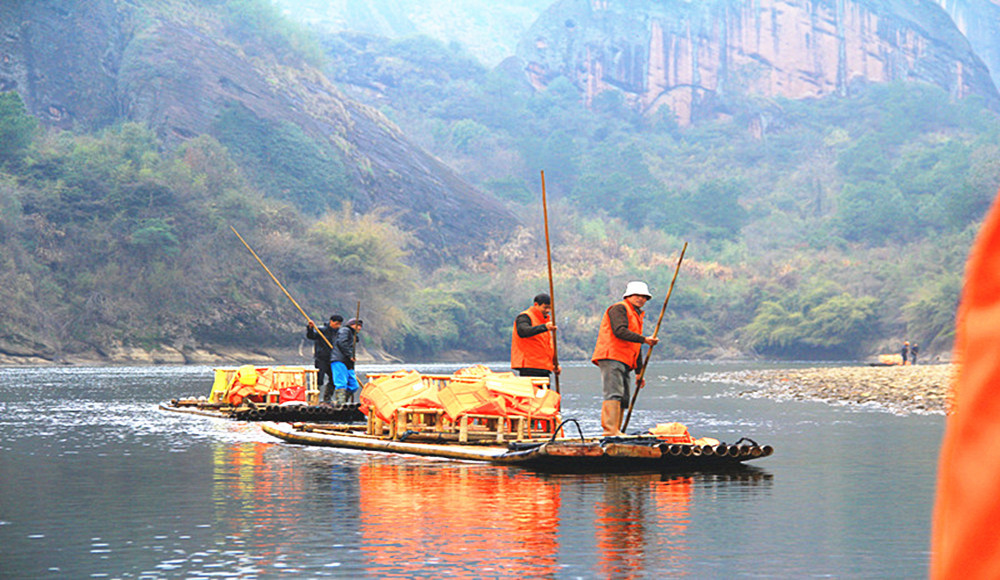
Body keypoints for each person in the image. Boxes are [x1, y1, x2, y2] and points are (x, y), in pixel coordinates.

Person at [591, 281, 660, 436]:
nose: (641, 299)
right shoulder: (619, 308)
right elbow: (619, 331)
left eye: (644, 297)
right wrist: (644, 339)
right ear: (628, 295)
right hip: (611, 356)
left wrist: (639, 372)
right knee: (613, 393)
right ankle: (610, 431)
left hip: (625, 360)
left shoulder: (637, 315)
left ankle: (618, 430)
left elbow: (636, 346)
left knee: (624, 397)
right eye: (637, 295)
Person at [510, 293, 560, 380]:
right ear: (536, 305)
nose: (548, 310)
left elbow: (548, 346)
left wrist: (555, 364)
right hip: (530, 366)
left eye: (550, 308)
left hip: (544, 367)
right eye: (545, 307)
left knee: (544, 392)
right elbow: (522, 331)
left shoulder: (545, 321)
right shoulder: (525, 317)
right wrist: (544, 327)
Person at [306, 315, 342, 402]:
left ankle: (327, 398)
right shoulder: (322, 330)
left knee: (334, 379)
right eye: (336, 324)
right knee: (319, 379)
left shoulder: (339, 333)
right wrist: (310, 328)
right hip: (321, 359)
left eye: (339, 324)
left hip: (333, 359)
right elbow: (311, 336)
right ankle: (314, 399)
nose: (338, 326)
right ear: (331, 321)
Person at [331, 318, 363, 405]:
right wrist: (350, 355)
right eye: (357, 325)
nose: (359, 327)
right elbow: (342, 343)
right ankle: (341, 403)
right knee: (341, 383)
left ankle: (343, 401)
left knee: (354, 386)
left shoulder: (353, 335)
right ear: (351, 325)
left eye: (360, 326)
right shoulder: (345, 330)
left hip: (348, 363)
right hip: (339, 360)